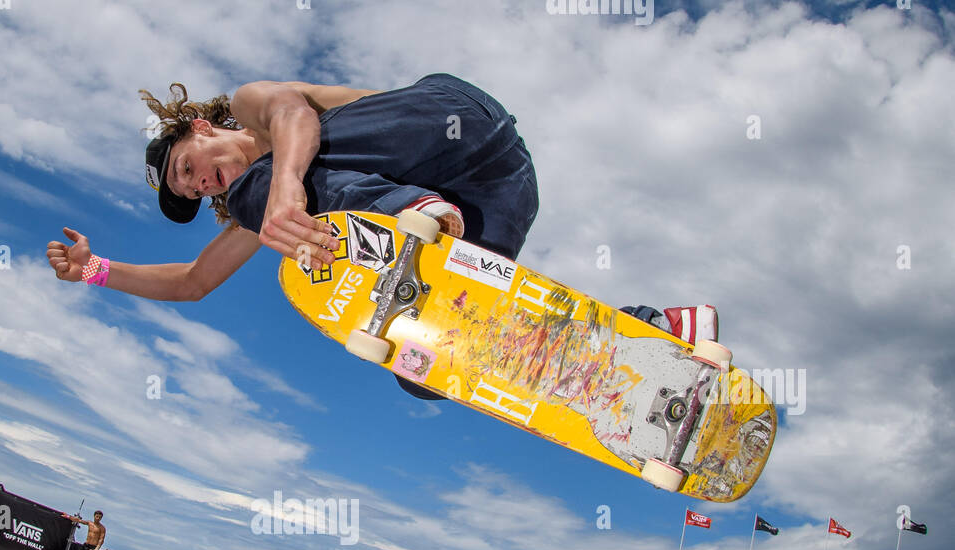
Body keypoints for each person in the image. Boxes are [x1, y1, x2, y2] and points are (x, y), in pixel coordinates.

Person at [45, 76, 718, 376]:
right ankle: (647, 336)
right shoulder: (277, 208)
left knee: (268, 193)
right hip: (499, 189)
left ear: (200, 129)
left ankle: (401, 219)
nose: (197, 184)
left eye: (188, 168)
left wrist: (283, 189)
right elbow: (195, 281)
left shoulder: (253, 117)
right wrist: (96, 272)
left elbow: (294, 119)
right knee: (427, 349)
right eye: (190, 191)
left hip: (447, 125)